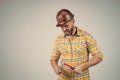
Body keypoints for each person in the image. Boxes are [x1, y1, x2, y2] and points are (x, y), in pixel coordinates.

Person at [50, 9, 103, 80]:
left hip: (82, 78)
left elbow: (99, 56)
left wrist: (83, 66)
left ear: (73, 21)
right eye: (61, 27)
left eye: (66, 25)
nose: (64, 29)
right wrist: (55, 67)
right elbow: (53, 58)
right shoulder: (59, 39)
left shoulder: (86, 36)